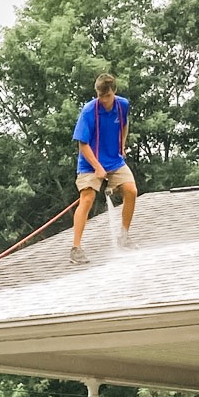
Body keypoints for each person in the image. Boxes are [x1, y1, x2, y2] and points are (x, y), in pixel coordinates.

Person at [68, 73, 136, 265]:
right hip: (90, 163)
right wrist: (97, 168)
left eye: (106, 96)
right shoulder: (89, 111)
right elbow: (83, 144)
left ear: (113, 92)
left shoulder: (123, 105)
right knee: (87, 198)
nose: (103, 100)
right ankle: (76, 248)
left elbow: (124, 124)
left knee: (131, 190)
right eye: (100, 96)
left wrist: (122, 145)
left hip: (114, 160)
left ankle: (124, 236)